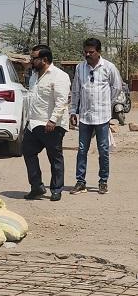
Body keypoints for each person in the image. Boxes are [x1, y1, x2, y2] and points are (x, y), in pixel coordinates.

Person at [70, 38, 122, 195]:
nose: (87, 54)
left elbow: (116, 87)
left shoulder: (109, 67)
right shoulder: (80, 68)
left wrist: (107, 104)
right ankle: (80, 182)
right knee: (81, 150)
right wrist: (73, 111)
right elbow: (76, 90)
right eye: (85, 51)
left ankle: (103, 181)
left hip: (102, 117)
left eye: (91, 52)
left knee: (103, 150)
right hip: (85, 116)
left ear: (99, 52)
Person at [22, 45, 71, 202]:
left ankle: (56, 189)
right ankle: (37, 187)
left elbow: (62, 101)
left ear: (44, 59)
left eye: (34, 58)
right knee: (28, 151)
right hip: (34, 123)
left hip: (52, 125)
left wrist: (53, 120)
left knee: (54, 157)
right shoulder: (34, 76)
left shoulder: (59, 76)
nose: (31, 61)